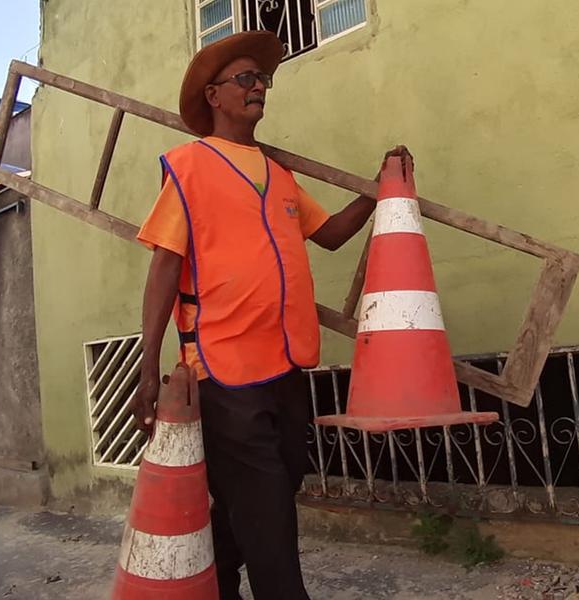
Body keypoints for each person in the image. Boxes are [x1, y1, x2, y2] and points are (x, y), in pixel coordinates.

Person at [131, 30, 406, 600]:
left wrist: (380, 190)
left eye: (264, 80)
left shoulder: (278, 175)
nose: (260, 88)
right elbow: (162, 271)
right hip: (222, 368)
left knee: (275, 485)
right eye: (246, 79)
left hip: (285, 365)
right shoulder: (189, 167)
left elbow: (327, 235)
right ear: (214, 96)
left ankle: (220, 578)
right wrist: (144, 373)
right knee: (269, 510)